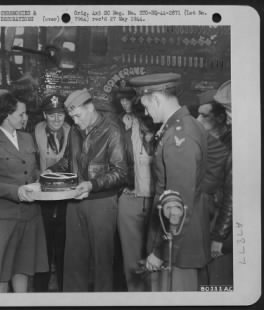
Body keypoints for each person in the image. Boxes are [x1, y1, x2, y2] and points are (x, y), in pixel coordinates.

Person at [129, 73, 210, 291]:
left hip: (177, 247)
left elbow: (178, 205)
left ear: (155, 99)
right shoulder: (188, 125)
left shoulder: (178, 137)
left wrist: (160, 252)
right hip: (180, 240)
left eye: (146, 106)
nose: (146, 112)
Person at [48, 88, 128, 292]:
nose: (74, 121)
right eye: (72, 116)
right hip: (75, 201)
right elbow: (67, 161)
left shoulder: (112, 131)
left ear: (90, 107)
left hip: (101, 203)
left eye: (77, 115)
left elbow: (120, 172)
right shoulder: (75, 131)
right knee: (73, 262)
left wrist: (92, 185)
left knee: (103, 263)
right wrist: (47, 174)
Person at [0, 90, 48, 293]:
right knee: (1, 274)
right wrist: (17, 191)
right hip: (4, 218)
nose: (26, 118)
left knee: (23, 269)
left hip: (30, 215)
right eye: (21, 114)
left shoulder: (27, 138)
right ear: (7, 115)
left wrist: (42, 179)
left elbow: (32, 170)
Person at [113, 80, 156, 291]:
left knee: (155, 254)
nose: (125, 103)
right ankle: (134, 297)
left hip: (154, 197)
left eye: (129, 98)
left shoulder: (154, 122)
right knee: (130, 258)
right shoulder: (118, 125)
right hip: (130, 195)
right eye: (121, 99)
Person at [33, 94, 70, 292]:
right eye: (52, 115)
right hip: (42, 201)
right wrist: (38, 176)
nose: (57, 119)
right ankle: (40, 295)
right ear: (45, 115)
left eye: (61, 114)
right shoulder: (33, 133)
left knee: (65, 250)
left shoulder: (74, 133)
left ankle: (65, 293)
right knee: (42, 250)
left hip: (66, 201)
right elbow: (28, 164)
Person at [197, 81, 233, 286]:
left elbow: (231, 195)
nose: (197, 119)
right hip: (207, 216)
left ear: (221, 117)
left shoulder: (230, 145)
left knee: (219, 278)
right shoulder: (205, 142)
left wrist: (220, 234)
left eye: (204, 115)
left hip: (219, 221)